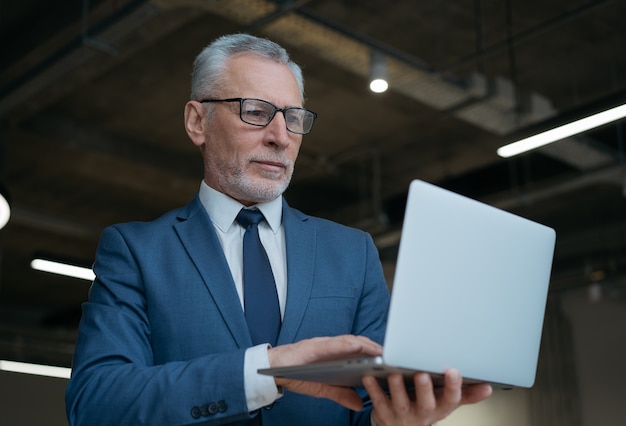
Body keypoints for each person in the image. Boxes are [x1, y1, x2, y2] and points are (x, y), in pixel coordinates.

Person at [65, 33, 492, 425]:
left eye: (293, 117)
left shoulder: (353, 252)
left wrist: (392, 419)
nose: (280, 136)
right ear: (198, 122)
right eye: (256, 112)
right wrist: (268, 369)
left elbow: (368, 406)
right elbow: (96, 402)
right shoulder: (136, 250)